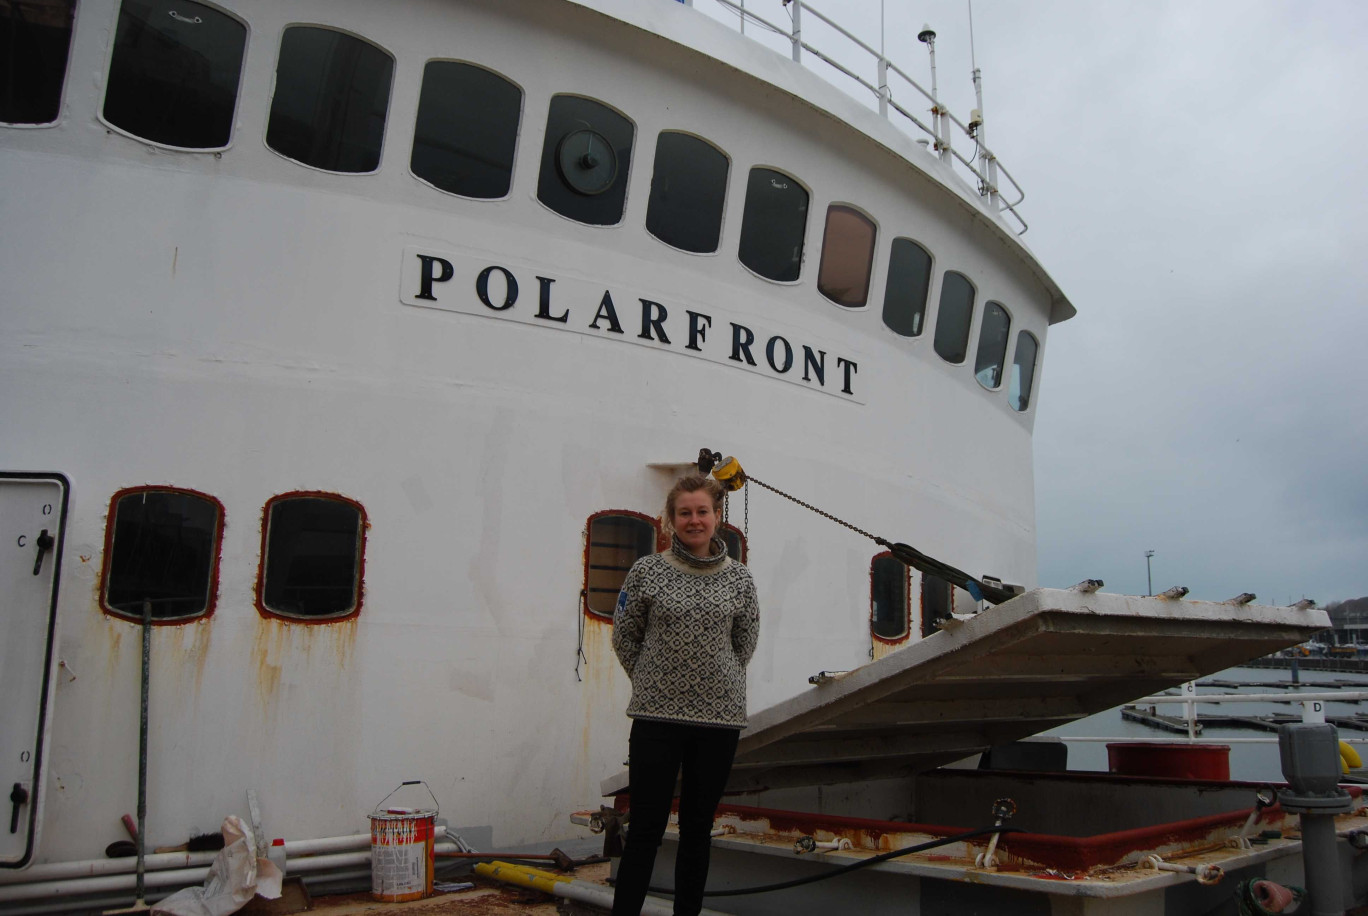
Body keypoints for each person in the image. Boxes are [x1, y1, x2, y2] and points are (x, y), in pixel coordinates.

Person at [610, 474, 760, 916]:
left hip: (718, 723)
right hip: (656, 719)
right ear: (671, 519)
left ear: (717, 517)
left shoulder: (740, 580)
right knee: (645, 830)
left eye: (702, 512)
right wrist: (655, 682)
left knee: (697, 830)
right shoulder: (647, 570)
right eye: (684, 513)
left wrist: (716, 682)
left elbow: (744, 644)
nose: (694, 520)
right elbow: (626, 634)